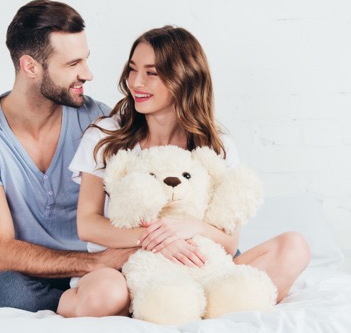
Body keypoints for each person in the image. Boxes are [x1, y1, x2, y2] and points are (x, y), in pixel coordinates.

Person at [58, 25, 311, 318]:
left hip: (199, 267)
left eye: (151, 73)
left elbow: (230, 242)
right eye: (132, 69)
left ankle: (200, 303)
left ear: (184, 78)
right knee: (105, 296)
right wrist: (157, 239)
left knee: (294, 247)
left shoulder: (216, 145)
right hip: (126, 267)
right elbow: (87, 225)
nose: (136, 82)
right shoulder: (106, 135)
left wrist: (193, 228)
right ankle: (134, 303)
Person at [0, 0, 136, 313]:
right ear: (30, 67)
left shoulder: (99, 122)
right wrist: (94, 262)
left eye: (85, 60)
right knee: (1, 291)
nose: (87, 74)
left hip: (103, 273)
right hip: (33, 276)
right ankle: (85, 305)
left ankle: (89, 301)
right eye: (73, 64)